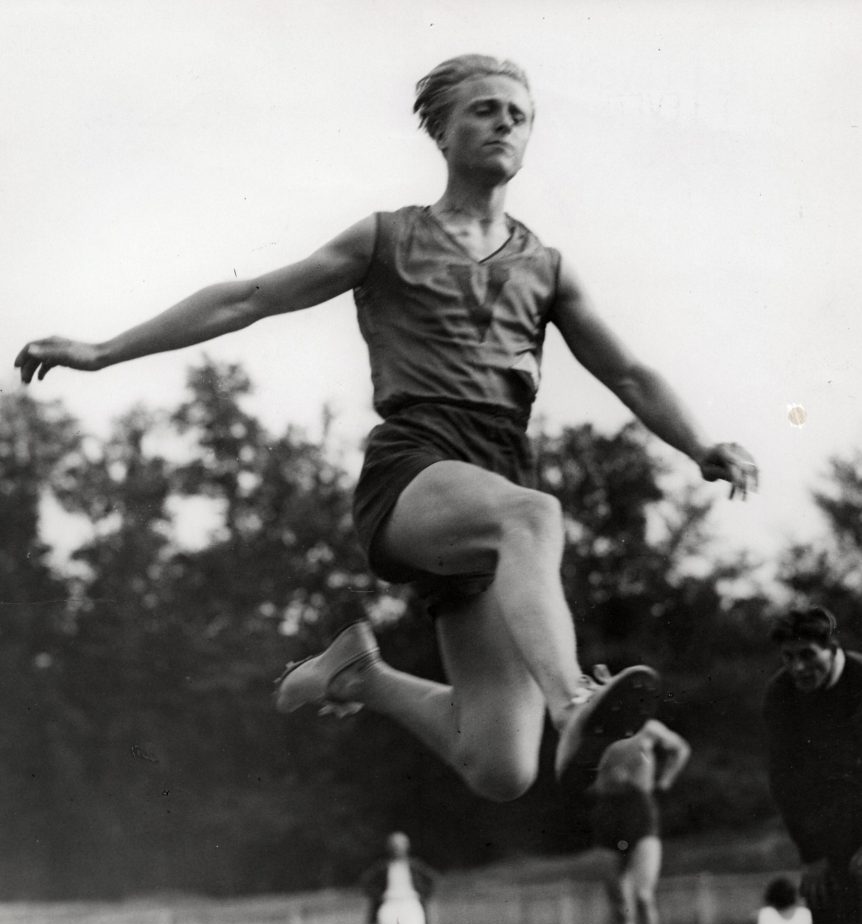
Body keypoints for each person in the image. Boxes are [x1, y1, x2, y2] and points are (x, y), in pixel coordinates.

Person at [15, 54, 758, 801]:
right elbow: (249, 299)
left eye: (519, 115)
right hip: (416, 464)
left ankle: (361, 676)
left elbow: (626, 373)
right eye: (485, 109)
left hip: (494, 478)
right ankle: (574, 701)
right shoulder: (386, 238)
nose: (506, 122)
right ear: (442, 131)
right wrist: (103, 351)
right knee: (535, 517)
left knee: (500, 766)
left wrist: (699, 445)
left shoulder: (548, 267)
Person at [763, 606, 862, 924]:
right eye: (788, 658)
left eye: (807, 654)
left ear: (832, 646)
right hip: (830, 820)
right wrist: (812, 854)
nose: (798, 667)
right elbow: (787, 783)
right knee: (828, 904)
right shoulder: (781, 695)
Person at [588, 714, 690, 924]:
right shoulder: (599, 729)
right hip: (608, 816)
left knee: (644, 896)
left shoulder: (650, 728)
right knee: (620, 906)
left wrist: (666, 778)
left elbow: (681, 748)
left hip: (640, 815)